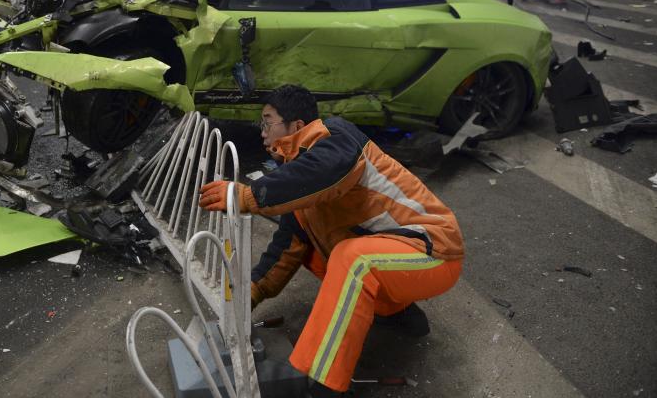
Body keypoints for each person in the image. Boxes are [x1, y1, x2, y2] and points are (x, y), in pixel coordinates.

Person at [197, 85, 463, 396]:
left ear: (297, 126)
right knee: (316, 253)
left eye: (268, 122)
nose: (262, 132)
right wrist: (250, 292)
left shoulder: (337, 137)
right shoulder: (302, 181)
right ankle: (396, 312)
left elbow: (322, 170)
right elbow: (287, 248)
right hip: (398, 256)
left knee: (354, 260)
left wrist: (250, 194)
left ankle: (323, 381)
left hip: (435, 250)